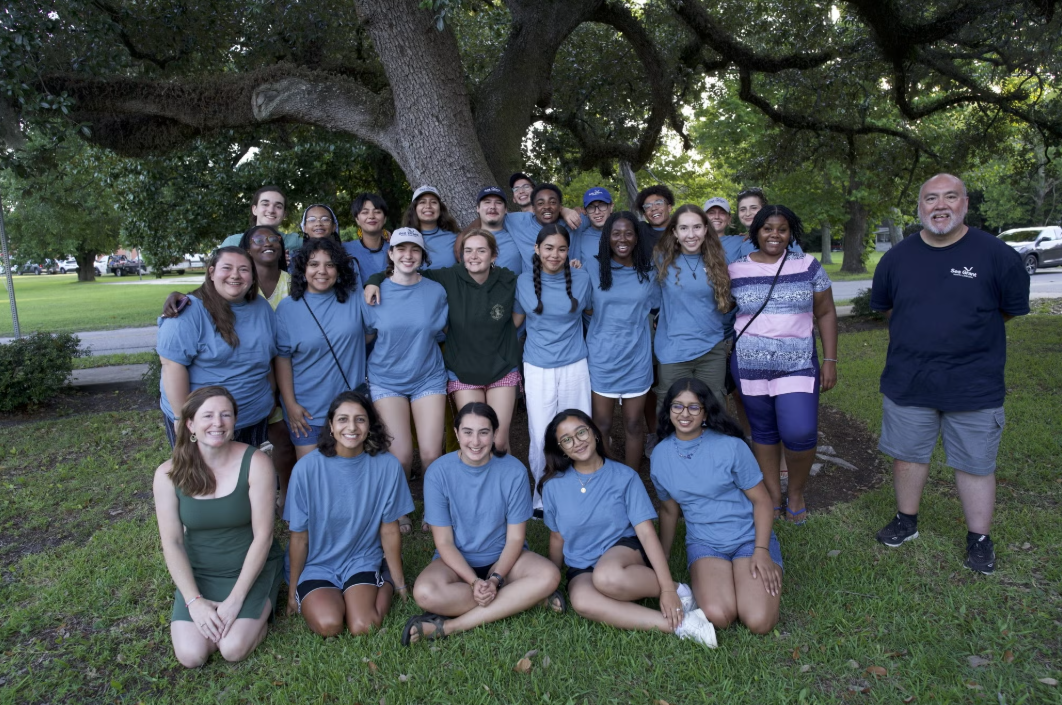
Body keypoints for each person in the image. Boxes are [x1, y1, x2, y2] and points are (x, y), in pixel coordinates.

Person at [870, 173, 1030, 575]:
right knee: (907, 457)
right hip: (910, 379)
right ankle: (906, 521)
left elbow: (1009, 309)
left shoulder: (997, 255)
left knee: (975, 464)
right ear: (919, 207)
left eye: (950, 197)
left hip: (974, 382)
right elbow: (889, 307)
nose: (940, 205)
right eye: (930, 198)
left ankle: (979, 538)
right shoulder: (896, 258)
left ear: (965, 204)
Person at [540, 410, 717, 646]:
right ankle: (680, 625)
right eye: (567, 439)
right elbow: (557, 536)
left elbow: (646, 533)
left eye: (581, 432)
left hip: (623, 550)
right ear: (561, 449)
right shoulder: (553, 487)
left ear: (594, 433)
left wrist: (667, 589)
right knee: (582, 602)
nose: (577, 442)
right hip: (582, 563)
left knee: (607, 577)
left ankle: (680, 591)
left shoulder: (624, 476)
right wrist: (551, 583)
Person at [402, 403, 563, 644]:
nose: (475, 441)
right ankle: (523, 597)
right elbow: (444, 543)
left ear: (495, 434)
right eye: (467, 432)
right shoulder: (438, 472)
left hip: (505, 561)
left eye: (483, 432)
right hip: (455, 564)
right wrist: (474, 581)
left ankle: (450, 626)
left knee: (549, 576)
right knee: (425, 593)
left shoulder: (514, 471)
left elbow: (516, 538)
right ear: (456, 434)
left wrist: (495, 579)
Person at [153, 386, 284, 667]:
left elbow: (263, 536)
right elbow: (172, 543)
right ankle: (217, 618)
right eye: (208, 415)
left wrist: (236, 599)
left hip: (250, 568)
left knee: (232, 649)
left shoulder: (256, 463)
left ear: (234, 421)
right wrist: (194, 601)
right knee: (191, 655)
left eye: (226, 415)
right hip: (200, 573)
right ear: (190, 424)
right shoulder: (167, 474)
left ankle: (257, 614)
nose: (218, 423)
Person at [364, 228, 522, 454]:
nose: (474, 256)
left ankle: (504, 477)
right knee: (475, 439)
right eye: (468, 250)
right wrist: (375, 279)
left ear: (493, 255)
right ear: (461, 255)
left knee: (498, 442)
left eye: (481, 250)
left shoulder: (508, 279)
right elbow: (405, 273)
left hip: (501, 366)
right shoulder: (447, 277)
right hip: (464, 369)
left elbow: (519, 312)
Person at [728, 205, 837, 523]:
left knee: (800, 431)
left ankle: (796, 493)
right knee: (763, 431)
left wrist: (830, 360)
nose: (774, 235)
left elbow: (826, 312)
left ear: (791, 234)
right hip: (750, 366)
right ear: (756, 232)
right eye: (767, 229)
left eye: (782, 229)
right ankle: (774, 496)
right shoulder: (736, 270)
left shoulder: (807, 265)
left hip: (798, 364)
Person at [651, 379, 782, 633]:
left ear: (705, 412)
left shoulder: (730, 446)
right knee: (719, 615)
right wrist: (663, 556)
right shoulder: (659, 456)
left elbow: (762, 500)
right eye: (677, 406)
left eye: (694, 407)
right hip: (705, 543)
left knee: (759, 621)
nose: (685, 414)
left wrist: (761, 550)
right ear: (668, 410)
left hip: (748, 537)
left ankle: (749, 573)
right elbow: (669, 510)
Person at [285, 391, 413, 636]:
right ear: (331, 426)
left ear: (370, 425)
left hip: (361, 558)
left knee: (363, 626)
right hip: (318, 563)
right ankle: (338, 595)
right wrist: (293, 593)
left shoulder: (387, 466)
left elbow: (389, 529)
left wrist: (399, 584)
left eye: (360, 419)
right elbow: (299, 536)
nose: (352, 427)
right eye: (343, 419)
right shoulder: (306, 469)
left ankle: (384, 578)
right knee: (329, 624)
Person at [360, 228, 449, 532]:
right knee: (401, 456)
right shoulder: (375, 292)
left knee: (431, 453)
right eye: (401, 249)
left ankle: (434, 509)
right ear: (391, 253)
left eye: (414, 250)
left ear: (422, 255)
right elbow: (365, 337)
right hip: (387, 379)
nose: (408, 255)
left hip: (427, 376)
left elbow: (443, 331)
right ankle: (399, 509)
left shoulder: (436, 291)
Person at [156, 247, 276, 450]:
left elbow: (268, 358)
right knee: (201, 471)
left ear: (252, 276)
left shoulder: (262, 307)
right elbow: (171, 366)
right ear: (211, 273)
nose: (235, 275)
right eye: (227, 268)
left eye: (244, 269)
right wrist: (182, 417)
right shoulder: (188, 312)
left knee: (245, 470)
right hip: (203, 423)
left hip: (252, 416)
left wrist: (270, 397)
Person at [512, 224, 593, 512]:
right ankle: (543, 496)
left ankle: (580, 489)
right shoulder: (523, 281)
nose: (554, 254)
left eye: (561, 249)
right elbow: (515, 323)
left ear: (568, 251)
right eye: (548, 248)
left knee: (579, 429)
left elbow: (593, 312)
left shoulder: (582, 278)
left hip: (574, 364)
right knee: (541, 433)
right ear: (537, 249)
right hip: (538, 367)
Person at [275, 238, 368, 462]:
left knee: (349, 470)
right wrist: (290, 405)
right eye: (314, 264)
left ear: (339, 269)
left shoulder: (355, 298)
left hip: (350, 408)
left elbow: (372, 332)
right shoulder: (287, 308)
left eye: (330, 265)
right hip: (306, 411)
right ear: (303, 269)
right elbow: (282, 358)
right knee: (312, 473)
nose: (322, 271)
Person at [586, 211, 659, 470]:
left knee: (634, 424)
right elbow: (585, 306)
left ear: (637, 238)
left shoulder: (648, 273)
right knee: (602, 425)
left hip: (636, 358)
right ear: (607, 237)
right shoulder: (592, 268)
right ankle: (609, 476)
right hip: (602, 358)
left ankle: (631, 479)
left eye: (629, 233)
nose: (622, 239)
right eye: (616, 233)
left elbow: (659, 306)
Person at [652, 204, 734, 407]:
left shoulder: (719, 260)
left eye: (697, 227)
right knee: (672, 409)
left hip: (711, 349)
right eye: (684, 228)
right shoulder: (661, 261)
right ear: (674, 232)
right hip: (673, 350)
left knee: (713, 408)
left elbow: (729, 301)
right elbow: (649, 299)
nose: (691, 235)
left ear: (706, 229)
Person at [503, 183, 582, 272]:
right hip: (532, 280)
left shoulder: (573, 221)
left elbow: (592, 213)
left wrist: (566, 211)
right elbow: (495, 216)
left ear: (560, 206)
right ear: (533, 208)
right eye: (540, 203)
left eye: (552, 202)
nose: (547, 206)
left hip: (570, 279)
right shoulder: (520, 222)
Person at [220, 186, 302, 253]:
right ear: (254, 210)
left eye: (278, 206)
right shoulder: (232, 243)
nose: (271, 210)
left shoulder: (296, 242)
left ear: (284, 214)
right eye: (265, 204)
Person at [402, 185, 460, 269]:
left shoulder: (455, 238)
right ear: (414, 208)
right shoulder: (403, 239)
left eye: (433, 202)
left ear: (440, 209)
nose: (428, 206)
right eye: (422, 202)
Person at [468, 186, 523, 274]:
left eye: (498, 203)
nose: (492, 207)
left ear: (505, 209)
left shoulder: (517, 237)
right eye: (487, 202)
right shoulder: (467, 241)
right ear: (478, 208)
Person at [345, 193, 391, 280]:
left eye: (377, 212)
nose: (371, 216)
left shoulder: (397, 249)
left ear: (385, 218)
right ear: (357, 219)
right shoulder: (345, 250)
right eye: (365, 212)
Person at [571, 187, 614, 262]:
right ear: (585, 211)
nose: (597, 212)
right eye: (591, 207)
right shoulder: (580, 237)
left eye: (602, 205)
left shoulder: (623, 235)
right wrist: (564, 211)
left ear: (611, 207)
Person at [634, 185, 675, 250]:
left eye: (658, 203)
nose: (653, 208)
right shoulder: (641, 231)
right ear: (645, 215)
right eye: (648, 207)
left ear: (669, 208)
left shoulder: (682, 229)